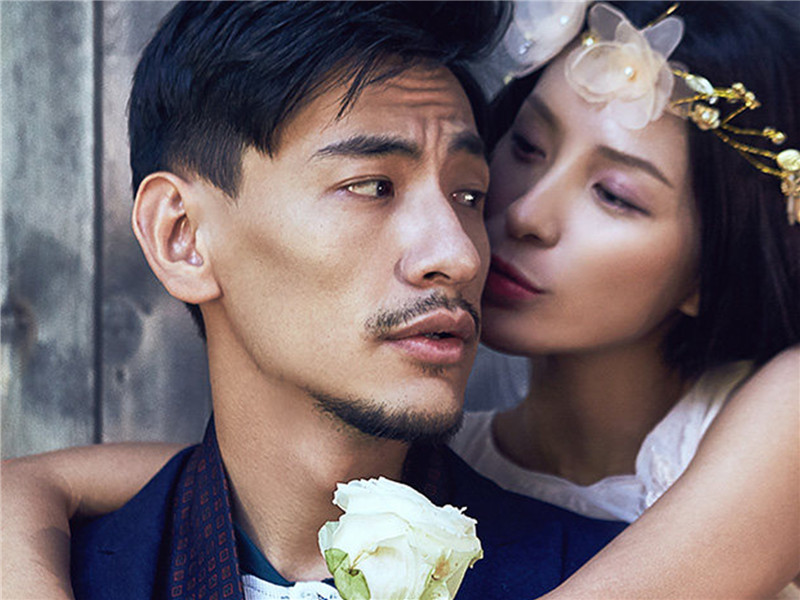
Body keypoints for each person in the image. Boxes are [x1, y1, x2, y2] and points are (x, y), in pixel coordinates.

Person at [3, 0, 799, 598]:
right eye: (372, 186)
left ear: (714, 263)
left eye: (466, 193)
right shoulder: (76, 561)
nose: (469, 249)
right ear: (182, 236)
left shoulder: (753, 445)